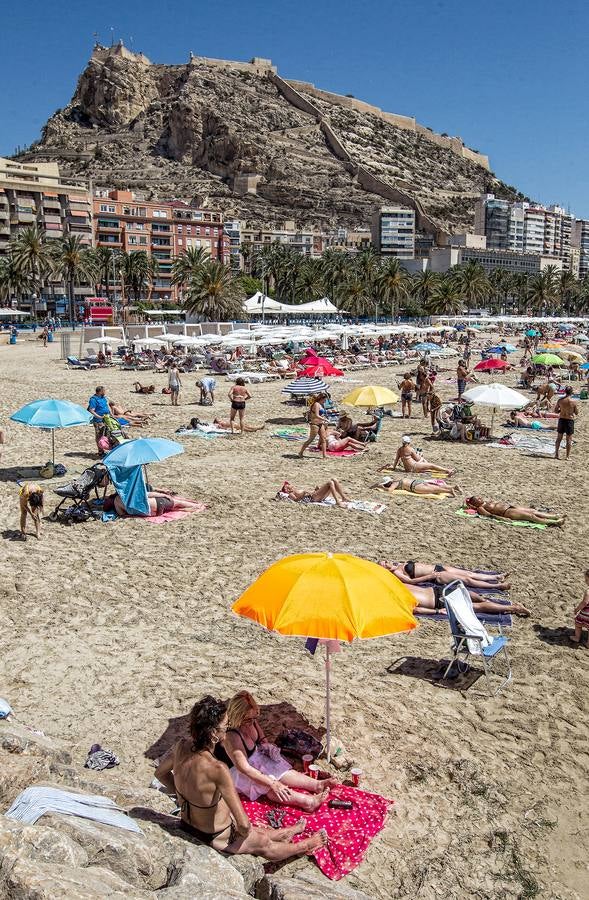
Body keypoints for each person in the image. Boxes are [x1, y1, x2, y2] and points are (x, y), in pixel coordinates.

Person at [155, 696, 327, 858]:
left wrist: (182, 795)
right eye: (225, 726)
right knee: (263, 843)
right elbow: (243, 824)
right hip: (215, 835)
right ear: (214, 734)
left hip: (188, 824)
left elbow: (160, 774)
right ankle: (306, 846)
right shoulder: (217, 768)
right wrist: (246, 832)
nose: (228, 728)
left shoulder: (180, 746)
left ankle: (283, 833)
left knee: (254, 830)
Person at [219, 692, 335, 811]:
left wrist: (267, 745)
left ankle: (317, 785)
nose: (252, 722)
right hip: (239, 773)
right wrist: (272, 783)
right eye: (248, 719)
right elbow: (244, 769)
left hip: (255, 758)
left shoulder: (251, 720)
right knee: (266, 786)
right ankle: (307, 802)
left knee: (279, 768)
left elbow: (261, 738)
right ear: (237, 716)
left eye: (255, 717)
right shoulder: (231, 736)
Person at [401, 582, 530, 617]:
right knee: (472, 599)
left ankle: (512, 607)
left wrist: (436, 612)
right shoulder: (396, 585)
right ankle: (512, 607)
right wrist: (437, 612)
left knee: (476, 606)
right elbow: (416, 609)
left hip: (438, 599)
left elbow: (416, 610)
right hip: (437, 592)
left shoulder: (396, 599)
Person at [379, 560, 510, 590]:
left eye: (384, 561)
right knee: (467, 579)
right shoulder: (397, 572)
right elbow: (411, 582)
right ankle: (498, 586)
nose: (386, 562)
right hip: (437, 575)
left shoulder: (398, 565)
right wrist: (429, 577)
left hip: (437, 567)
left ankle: (495, 577)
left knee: (469, 573)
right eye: (384, 564)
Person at [465, 496, 565, 526]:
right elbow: (489, 515)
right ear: (475, 503)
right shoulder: (480, 508)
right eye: (477, 499)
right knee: (531, 517)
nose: (480, 498)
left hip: (511, 507)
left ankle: (554, 516)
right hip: (507, 513)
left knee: (533, 511)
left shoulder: (486, 502)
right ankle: (553, 522)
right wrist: (502, 519)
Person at [382, 436, 456, 476]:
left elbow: (396, 461)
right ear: (409, 442)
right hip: (414, 467)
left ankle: (444, 470)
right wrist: (421, 456)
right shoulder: (410, 449)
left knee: (426, 465)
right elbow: (417, 459)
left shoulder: (399, 450)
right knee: (431, 465)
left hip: (407, 470)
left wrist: (393, 467)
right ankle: (447, 470)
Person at [110, 490, 201, 518]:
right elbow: (149, 494)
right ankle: (197, 506)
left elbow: (123, 515)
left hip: (152, 513)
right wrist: (164, 495)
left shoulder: (116, 503)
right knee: (178, 503)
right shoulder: (130, 494)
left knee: (174, 508)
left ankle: (190, 508)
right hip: (158, 503)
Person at [277, 479, 351, 508]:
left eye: (288, 485)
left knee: (334, 480)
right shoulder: (291, 494)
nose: (288, 486)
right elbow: (296, 500)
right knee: (330, 482)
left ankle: (343, 497)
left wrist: (315, 490)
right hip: (314, 498)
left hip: (315, 495)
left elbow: (308, 493)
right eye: (286, 487)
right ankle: (338, 502)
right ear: (287, 490)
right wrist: (303, 493)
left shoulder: (296, 490)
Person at [373, 476, 462, 498]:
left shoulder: (394, 484)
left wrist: (381, 487)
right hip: (417, 481)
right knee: (433, 487)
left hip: (414, 486)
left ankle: (450, 490)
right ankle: (454, 487)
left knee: (434, 489)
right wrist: (375, 485)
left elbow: (389, 491)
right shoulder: (397, 479)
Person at [298, 393, 327, 459]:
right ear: (321, 398)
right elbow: (316, 415)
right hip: (315, 424)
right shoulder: (316, 404)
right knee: (311, 439)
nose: (325, 401)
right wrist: (324, 419)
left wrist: (324, 419)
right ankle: (301, 452)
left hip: (320, 424)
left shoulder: (321, 404)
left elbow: (321, 414)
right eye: (324, 399)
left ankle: (324, 455)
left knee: (323, 439)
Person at [555, 386, 578, 460]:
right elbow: (576, 412)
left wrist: (561, 410)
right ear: (571, 392)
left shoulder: (560, 400)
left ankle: (556, 455)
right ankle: (567, 456)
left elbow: (555, 411)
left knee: (559, 438)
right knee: (569, 439)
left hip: (561, 419)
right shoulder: (573, 402)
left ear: (565, 391)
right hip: (569, 420)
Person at [572, 570, 589, 647]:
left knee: (578, 623)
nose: (585, 582)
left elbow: (584, 602)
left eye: (586, 580)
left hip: (586, 614)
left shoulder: (588, 591)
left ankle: (577, 637)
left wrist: (577, 609)